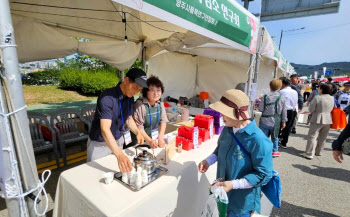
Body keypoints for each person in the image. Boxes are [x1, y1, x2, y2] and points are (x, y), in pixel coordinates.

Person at [198, 89, 273, 217]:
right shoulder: (227, 129)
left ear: (237, 114)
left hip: (241, 203)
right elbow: (220, 149)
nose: (221, 115)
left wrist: (233, 184)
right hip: (222, 195)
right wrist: (208, 161)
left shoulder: (258, 140)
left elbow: (263, 174)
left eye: (224, 112)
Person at [87, 68, 147, 173]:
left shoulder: (130, 97)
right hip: (100, 144)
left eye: (139, 90)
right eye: (135, 87)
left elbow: (128, 118)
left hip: (118, 142)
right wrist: (119, 154)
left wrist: (137, 132)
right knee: (96, 175)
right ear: (126, 80)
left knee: (117, 173)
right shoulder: (106, 98)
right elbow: (105, 129)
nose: (136, 92)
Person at [130, 76, 169, 148]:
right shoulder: (140, 104)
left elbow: (163, 121)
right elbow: (139, 126)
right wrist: (149, 141)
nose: (156, 93)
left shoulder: (160, 104)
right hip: (139, 141)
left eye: (158, 90)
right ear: (146, 92)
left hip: (153, 140)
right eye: (152, 90)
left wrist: (160, 137)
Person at [300, 83, 334, 159]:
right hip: (328, 118)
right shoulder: (332, 98)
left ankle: (309, 153)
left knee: (312, 136)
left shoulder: (317, 98)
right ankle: (318, 151)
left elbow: (311, 109)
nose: (318, 89)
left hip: (317, 118)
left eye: (319, 88)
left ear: (322, 89)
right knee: (323, 136)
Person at [258, 78, 287, 157]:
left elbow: (261, 109)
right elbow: (284, 111)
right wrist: (284, 122)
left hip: (265, 120)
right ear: (280, 87)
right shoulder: (282, 98)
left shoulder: (265, 97)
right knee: (275, 136)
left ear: (270, 86)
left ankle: (263, 150)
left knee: (263, 137)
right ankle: (274, 151)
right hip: (276, 121)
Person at [278, 77, 298, 149]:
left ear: (282, 84)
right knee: (288, 127)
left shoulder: (281, 92)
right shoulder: (295, 91)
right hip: (293, 111)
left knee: (280, 126)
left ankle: (277, 141)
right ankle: (284, 143)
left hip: (284, 110)